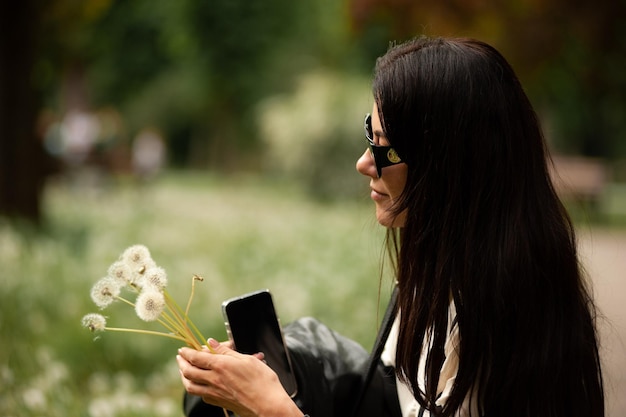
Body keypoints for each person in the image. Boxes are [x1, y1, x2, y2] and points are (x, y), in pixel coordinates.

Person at [177, 36, 605, 417]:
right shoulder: (442, 272)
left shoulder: (505, 318)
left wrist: (270, 407)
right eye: (370, 136)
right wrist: (286, 373)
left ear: (450, 167)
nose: (364, 163)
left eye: (386, 149)